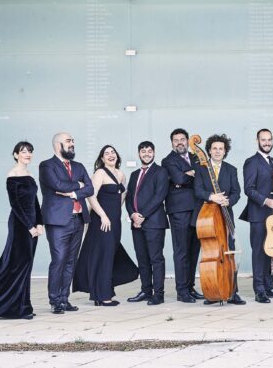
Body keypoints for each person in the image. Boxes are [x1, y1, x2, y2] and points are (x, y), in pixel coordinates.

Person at [0, 141, 44, 319]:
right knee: (16, 265)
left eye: (30, 151)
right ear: (15, 155)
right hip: (20, 225)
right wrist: (29, 226)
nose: (27, 154)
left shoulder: (29, 174)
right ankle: (8, 307)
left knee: (25, 265)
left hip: (32, 226)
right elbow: (16, 205)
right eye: (23, 151)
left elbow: (34, 202)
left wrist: (40, 223)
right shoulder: (12, 175)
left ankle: (24, 306)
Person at [72, 145, 138, 306]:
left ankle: (100, 294)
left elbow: (121, 196)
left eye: (112, 152)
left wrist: (116, 214)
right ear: (102, 158)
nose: (110, 155)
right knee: (104, 256)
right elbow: (90, 196)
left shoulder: (121, 174)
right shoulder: (100, 173)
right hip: (102, 221)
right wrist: (103, 216)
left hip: (114, 221)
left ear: (117, 156)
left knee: (109, 255)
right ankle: (103, 296)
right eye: (106, 153)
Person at [39, 132, 93, 314]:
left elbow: (90, 188)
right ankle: (54, 301)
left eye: (73, 141)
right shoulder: (47, 165)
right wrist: (79, 185)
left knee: (71, 261)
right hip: (58, 221)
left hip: (78, 219)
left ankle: (64, 299)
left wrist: (75, 193)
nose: (72, 144)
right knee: (59, 260)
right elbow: (58, 184)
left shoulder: (78, 166)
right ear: (57, 145)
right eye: (68, 141)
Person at [194, 133, 246, 305]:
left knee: (230, 254)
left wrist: (228, 200)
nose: (217, 151)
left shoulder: (231, 169)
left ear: (225, 151)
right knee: (211, 255)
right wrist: (211, 197)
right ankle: (213, 291)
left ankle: (232, 292)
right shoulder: (201, 168)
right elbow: (198, 190)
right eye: (214, 148)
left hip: (226, 216)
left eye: (221, 149)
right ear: (208, 150)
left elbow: (237, 192)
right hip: (208, 217)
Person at [240, 128, 273, 304]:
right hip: (259, 214)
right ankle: (259, 290)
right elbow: (249, 189)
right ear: (257, 141)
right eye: (263, 140)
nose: (267, 143)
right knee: (259, 252)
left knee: (271, 251)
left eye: (269, 140)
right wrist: (266, 201)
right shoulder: (251, 162)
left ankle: (270, 286)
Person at [161, 128, 204, 303]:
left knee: (194, 251)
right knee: (182, 251)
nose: (179, 142)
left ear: (187, 141)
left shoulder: (196, 157)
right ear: (172, 143)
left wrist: (191, 175)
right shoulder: (168, 161)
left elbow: (204, 177)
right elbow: (179, 179)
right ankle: (182, 291)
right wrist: (189, 176)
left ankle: (190, 286)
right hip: (179, 210)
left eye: (182, 139)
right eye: (176, 140)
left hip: (198, 209)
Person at [125, 141, 169, 306]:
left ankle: (158, 294)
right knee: (142, 258)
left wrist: (142, 215)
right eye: (143, 151)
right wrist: (132, 214)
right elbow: (129, 198)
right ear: (139, 154)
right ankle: (146, 290)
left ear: (154, 153)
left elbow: (159, 196)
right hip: (136, 223)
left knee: (156, 259)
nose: (146, 154)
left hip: (154, 222)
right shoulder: (135, 174)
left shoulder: (161, 172)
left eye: (149, 151)